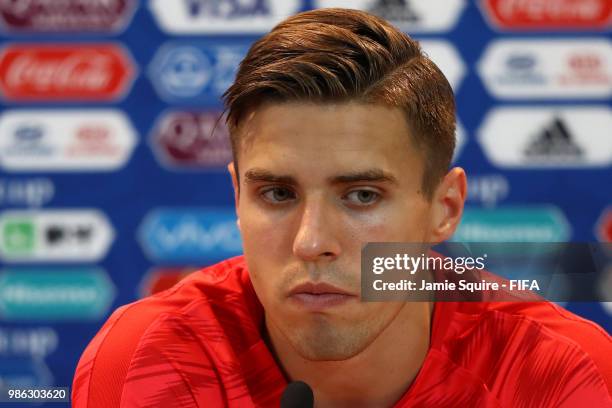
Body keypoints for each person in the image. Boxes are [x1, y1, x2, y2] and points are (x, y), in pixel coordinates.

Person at [72, 8, 612, 407]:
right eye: (277, 194)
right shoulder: (146, 359)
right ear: (237, 197)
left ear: (444, 208)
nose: (311, 242)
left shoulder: (561, 375)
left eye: (361, 196)